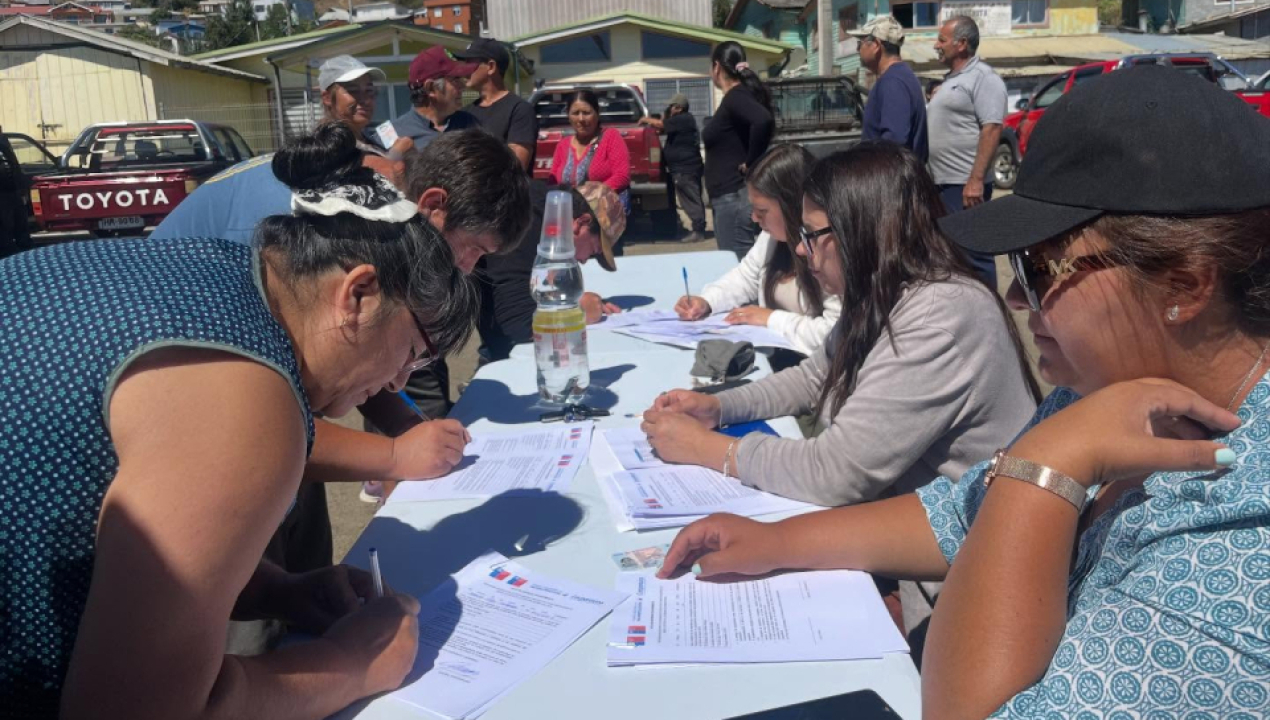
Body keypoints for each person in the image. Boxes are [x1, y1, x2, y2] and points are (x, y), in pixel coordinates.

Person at [655, 67, 1270, 714]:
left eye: (1039, 268)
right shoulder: (1103, 389)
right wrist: (775, 543)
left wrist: (1048, 463)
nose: (1014, 298)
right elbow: (962, 512)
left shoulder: (1243, 537)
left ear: (1183, 283)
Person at [0, 122, 478, 716]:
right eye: (412, 351)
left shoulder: (219, 269)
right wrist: (354, 664)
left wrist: (277, 590)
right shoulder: (247, 394)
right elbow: (135, 708)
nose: (398, 383)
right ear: (358, 294)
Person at [643, 143, 1039, 636]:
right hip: (902, 553)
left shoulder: (939, 316)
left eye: (812, 235)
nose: (801, 251)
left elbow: (836, 471)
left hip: (958, 593)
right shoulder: (881, 292)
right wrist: (717, 406)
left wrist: (709, 449)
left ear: (861, 230)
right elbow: (816, 375)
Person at [151, 128, 529, 580]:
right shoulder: (303, 227)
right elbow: (251, 429)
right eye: (474, 250)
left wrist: (407, 426)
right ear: (432, 205)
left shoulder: (371, 201)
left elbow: (355, 342)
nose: (467, 268)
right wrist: (394, 454)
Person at [673, 144, 841, 357]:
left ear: (793, 205)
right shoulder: (772, 238)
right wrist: (707, 301)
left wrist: (770, 318)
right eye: (753, 209)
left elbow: (835, 334)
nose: (753, 218)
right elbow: (746, 276)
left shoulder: (830, 250)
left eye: (762, 211)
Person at [477, 181, 627, 362]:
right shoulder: (526, 221)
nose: (584, 260)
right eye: (593, 251)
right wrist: (578, 310)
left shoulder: (545, 211)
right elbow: (519, 322)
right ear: (581, 223)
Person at [928, 15, 1007, 286]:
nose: (936, 45)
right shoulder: (952, 80)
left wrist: (975, 180)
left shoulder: (984, 78)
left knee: (975, 255)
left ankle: (990, 307)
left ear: (961, 44)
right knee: (952, 255)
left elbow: (992, 128)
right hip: (943, 184)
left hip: (964, 186)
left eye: (942, 40)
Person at [704, 41, 775, 260]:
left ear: (717, 67)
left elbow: (762, 120)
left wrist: (752, 162)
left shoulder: (735, 97)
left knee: (735, 263)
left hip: (732, 197)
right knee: (737, 261)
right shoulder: (738, 97)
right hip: (729, 197)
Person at [850, 15, 928, 162]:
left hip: (892, 175)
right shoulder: (900, 76)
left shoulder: (893, 82)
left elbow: (893, 143)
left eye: (860, 43)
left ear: (876, 45)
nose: (857, 49)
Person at [455, 37, 537, 173]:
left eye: (470, 63)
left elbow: (516, 167)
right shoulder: (466, 113)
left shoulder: (519, 110)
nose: (465, 69)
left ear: (491, 67)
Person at [316, 54, 413, 162]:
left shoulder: (364, 140)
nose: (365, 100)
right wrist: (396, 155)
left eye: (369, 90)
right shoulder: (325, 147)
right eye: (353, 91)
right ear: (327, 98)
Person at [639, 93, 706, 242]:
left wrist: (645, 119)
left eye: (671, 106)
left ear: (679, 108)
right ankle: (698, 228)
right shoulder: (680, 121)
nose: (669, 109)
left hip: (685, 169)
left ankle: (698, 230)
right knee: (689, 198)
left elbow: (661, 125)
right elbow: (662, 130)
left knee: (690, 199)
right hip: (684, 168)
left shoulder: (683, 119)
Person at [388, 45, 482, 152]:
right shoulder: (392, 135)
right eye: (455, 80)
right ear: (431, 88)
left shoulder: (470, 123)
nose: (463, 86)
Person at [549, 89, 630, 207]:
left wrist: (591, 196)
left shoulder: (611, 137)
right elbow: (552, 182)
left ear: (597, 113)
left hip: (602, 212)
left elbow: (622, 176)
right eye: (575, 113)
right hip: (568, 212)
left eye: (586, 113)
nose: (581, 119)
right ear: (568, 115)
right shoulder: (563, 145)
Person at [0, 127, 31, 259]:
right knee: (4, 228)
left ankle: (24, 249)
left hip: (13, 192)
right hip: (2, 194)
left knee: (20, 223)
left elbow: (14, 166)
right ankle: (8, 252)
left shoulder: (4, 144)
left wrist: (22, 189)